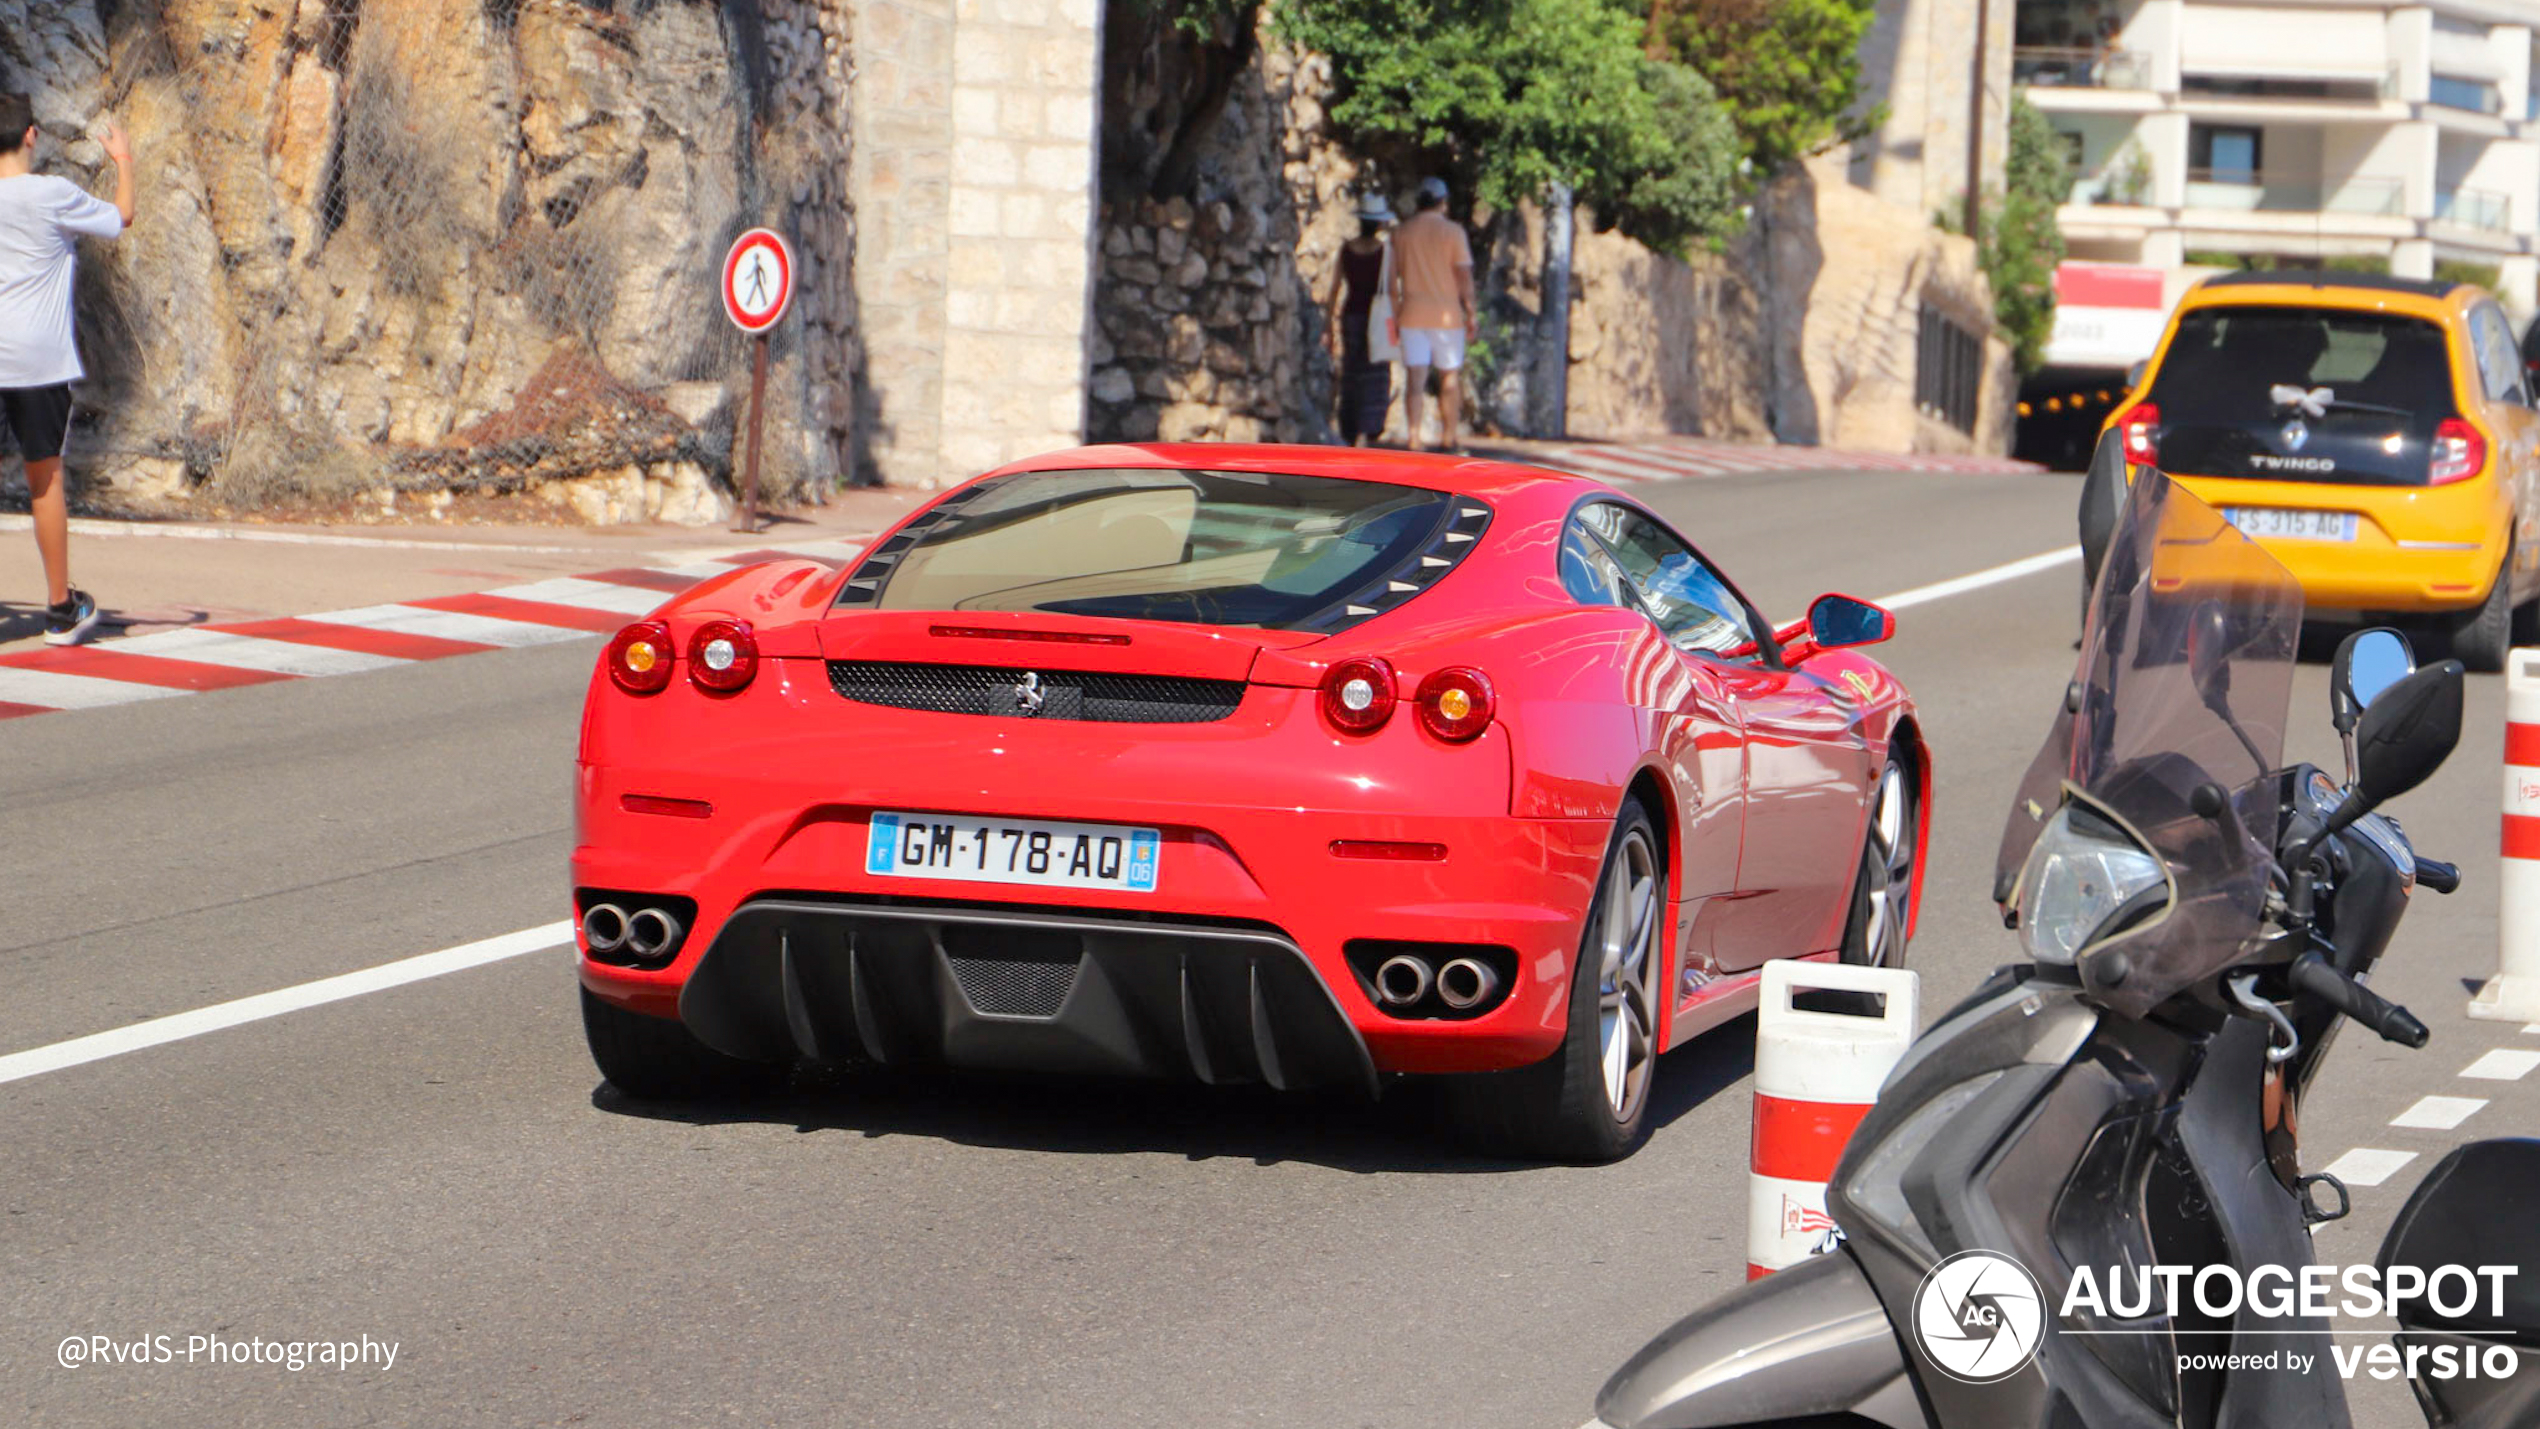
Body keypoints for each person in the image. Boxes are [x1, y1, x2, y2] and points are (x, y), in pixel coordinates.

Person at [0, 93, 133, 646]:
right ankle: (60, 608)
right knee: (43, 479)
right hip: (37, 359)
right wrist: (123, 160)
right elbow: (120, 217)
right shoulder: (50, 193)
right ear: (31, 135)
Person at [1386, 176, 1478, 453]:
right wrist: (1471, 311)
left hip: (1412, 314)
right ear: (1443, 202)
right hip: (1446, 315)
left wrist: (1395, 315)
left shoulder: (1401, 233)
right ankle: (1448, 437)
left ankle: (1413, 437)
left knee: (1416, 378)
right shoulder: (1453, 232)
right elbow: (1463, 274)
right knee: (1449, 376)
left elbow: (1392, 282)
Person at [1321, 191, 1395, 445]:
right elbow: (1392, 292)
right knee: (1375, 373)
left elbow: (1334, 289)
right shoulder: (1385, 253)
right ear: (1378, 223)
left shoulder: (1346, 250)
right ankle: (1369, 428)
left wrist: (1327, 325)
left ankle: (1349, 427)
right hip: (1377, 318)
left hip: (1351, 314)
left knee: (1352, 370)